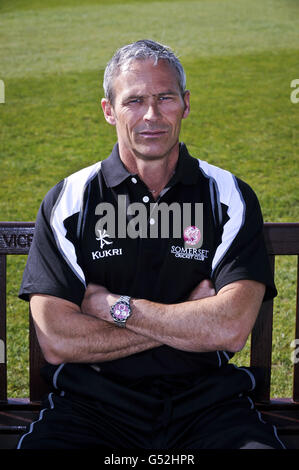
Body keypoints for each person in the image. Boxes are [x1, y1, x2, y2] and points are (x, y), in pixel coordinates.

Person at [17, 39, 285, 450]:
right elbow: (57, 339)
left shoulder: (228, 195)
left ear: (186, 104)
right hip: (90, 407)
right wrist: (192, 318)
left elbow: (231, 328)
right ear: (109, 111)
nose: (151, 115)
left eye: (165, 98)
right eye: (134, 100)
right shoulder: (69, 200)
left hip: (208, 406)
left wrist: (110, 308)